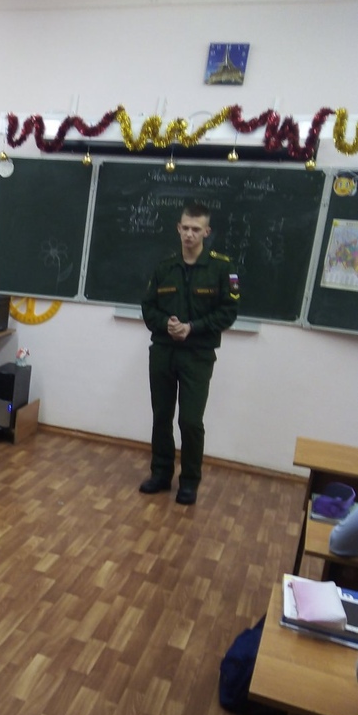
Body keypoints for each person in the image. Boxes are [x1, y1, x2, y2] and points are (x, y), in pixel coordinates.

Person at [140, 201, 239, 505]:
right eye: (185, 228)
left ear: (206, 232)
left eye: (196, 229)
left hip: (197, 354)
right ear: (178, 228)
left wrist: (192, 328)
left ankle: (190, 481)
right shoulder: (165, 268)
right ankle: (160, 474)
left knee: (191, 421)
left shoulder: (222, 268)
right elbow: (148, 307)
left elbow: (228, 312)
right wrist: (167, 325)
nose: (189, 234)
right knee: (161, 416)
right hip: (163, 351)